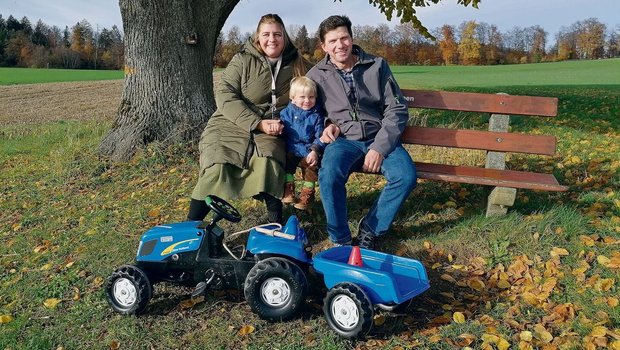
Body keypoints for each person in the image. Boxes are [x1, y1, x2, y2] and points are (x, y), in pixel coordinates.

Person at [306, 15, 417, 249]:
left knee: (405, 176)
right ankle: (341, 238)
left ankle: (370, 229)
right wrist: (326, 125)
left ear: (352, 38)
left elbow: (396, 108)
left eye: (344, 38)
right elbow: (310, 110)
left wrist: (379, 147)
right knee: (329, 175)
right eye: (333, 41)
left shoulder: (376, 65)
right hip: (344, 141)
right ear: (323, 46)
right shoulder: (316, 75)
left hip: (380, 137)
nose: (340, 45)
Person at [187, 14, 308, 224]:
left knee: (269, 164)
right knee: (218, 164)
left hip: (273, 129)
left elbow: (326, 76)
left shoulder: (298, 63)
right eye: (266, 34)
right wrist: (256, 123)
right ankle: (189, 228)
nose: (272, 39)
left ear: (285, 37)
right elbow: (225, 94)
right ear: (258, 38)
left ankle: (274, 227)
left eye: (277, 34)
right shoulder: (242, 59)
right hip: (229, 123)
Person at [279, 77, 326, 210]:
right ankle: (288, 186)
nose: (307, 101)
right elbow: (282, 132)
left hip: (308, 149)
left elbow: (320, 135)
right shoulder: (286, 114)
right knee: (286, 161)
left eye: (311, 97)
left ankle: (308, 192)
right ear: (293, 98)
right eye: (302, 97)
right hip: (291, 147)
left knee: (311, 166)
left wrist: (315, 151)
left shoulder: (317, 115)